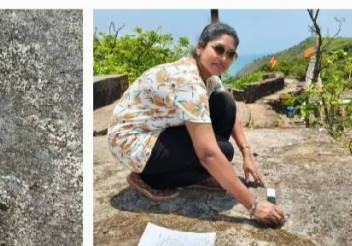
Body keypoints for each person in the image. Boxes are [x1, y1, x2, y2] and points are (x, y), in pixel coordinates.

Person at [108, 22, 285, 226]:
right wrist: (254, 206)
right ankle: (149, 178)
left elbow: (231, 112)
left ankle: (195, 172)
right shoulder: (188, 82)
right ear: (200, 47)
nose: (224, 58)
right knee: (221, 151)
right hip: (132, 140)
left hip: (159, 129)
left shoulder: (208, 77)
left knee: (224, 103)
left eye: (230, 54)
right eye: (218, 49)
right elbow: (208, 153)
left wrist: (247, 154)